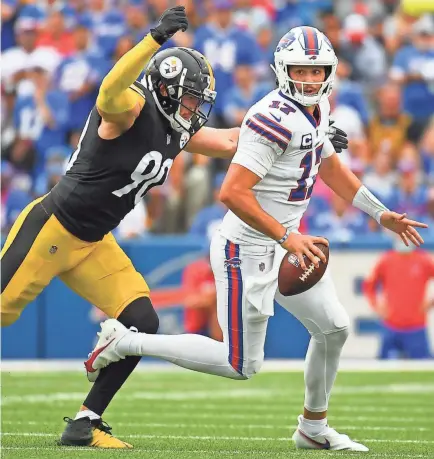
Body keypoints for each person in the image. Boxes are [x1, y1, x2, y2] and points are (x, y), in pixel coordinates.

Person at [85, 26, 427, 452]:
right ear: (283, 71)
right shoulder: (273, 118)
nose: (309, 79)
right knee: (241, 364)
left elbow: (331, 168)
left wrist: (381, 214)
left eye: (316, 70)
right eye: (300, 70)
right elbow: (230, 192)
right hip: (244, 248)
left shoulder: (317, 106)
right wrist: (286, 236)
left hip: (284, 243)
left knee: (334, 328)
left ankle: (312, 427)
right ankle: (125, 341)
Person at [1, 6, 240, 449]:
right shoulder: (130, 108)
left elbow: (230, 140)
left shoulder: (174, 126)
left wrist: (307, 138)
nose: (195, 108)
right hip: (53, 229)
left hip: (94, 242)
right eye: (189, 97)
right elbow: (108, 91)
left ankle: (84, 423)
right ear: (166, 89)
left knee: (141, 321)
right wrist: (154, 39)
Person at [363, 237, 434, 359]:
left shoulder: (424, 260)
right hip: (391, 325)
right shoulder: (385, 260)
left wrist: (431, 303)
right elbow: (369, 285)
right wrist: (376, 306)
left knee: (422, 369)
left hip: (416, 326)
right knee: (384, 370)